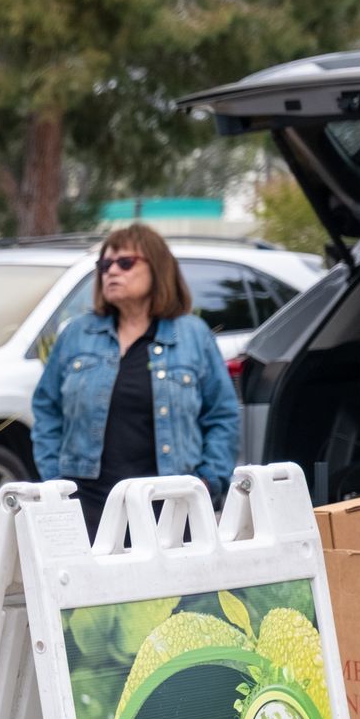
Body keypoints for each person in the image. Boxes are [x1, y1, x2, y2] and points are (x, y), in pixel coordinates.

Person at [31, 224, 241, 540]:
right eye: (105, 265)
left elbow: (223, 415)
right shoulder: (78, 334)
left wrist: (208, 482)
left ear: (157, 269)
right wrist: (56, 483)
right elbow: (46, 410)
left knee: (172, 590)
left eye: (125, 263)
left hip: (171, 504)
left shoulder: (192, 335)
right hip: (87, 506)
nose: (111, 271)